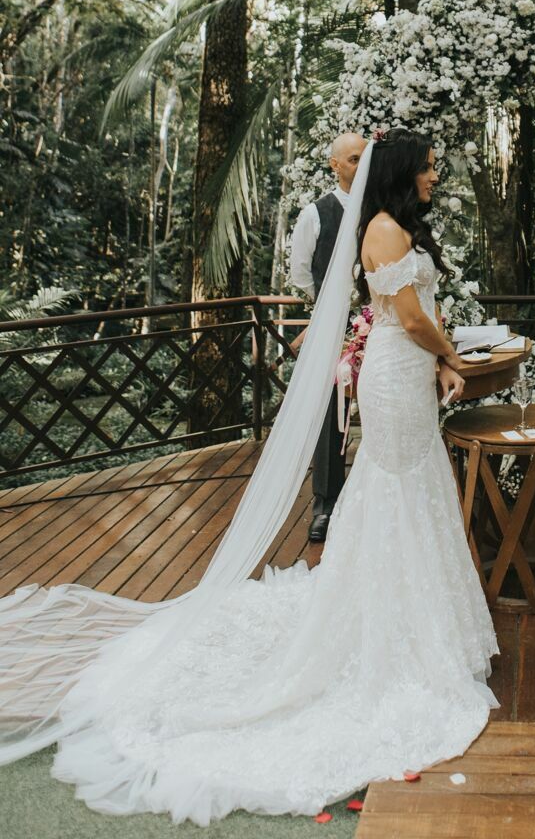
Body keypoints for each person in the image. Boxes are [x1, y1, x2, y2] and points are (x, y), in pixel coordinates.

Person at [0, 128, 497, 823]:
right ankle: (382, 623)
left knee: (413, 484)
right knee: (393, 484)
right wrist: (453, 356)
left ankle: (417, 617)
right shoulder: (382, 231)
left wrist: (441, 359)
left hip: (410, 371)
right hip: (393, 370)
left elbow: (418, 313)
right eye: (429, 167)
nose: (435, 175)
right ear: (401, 173)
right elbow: (409, 315)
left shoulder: (399, 227)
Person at [289, 131, 367, 541]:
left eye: (364, 158)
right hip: (333, 330)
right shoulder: (315, 214)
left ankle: (372, 501)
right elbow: (301, 272)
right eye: (353, 159)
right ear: (335, 165)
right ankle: (326, 505)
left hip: (379, 325)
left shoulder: (382, 210)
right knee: (327, 416)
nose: (360, 165)